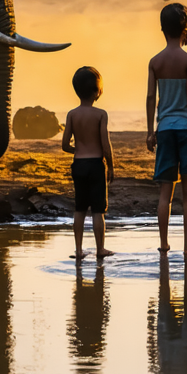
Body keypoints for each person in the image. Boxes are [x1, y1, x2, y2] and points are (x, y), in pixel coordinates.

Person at [147, 3, 187, 257]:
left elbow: (151, 97)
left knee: (165, 193)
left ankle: (163, 244)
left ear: (162, 29)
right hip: (185, 129)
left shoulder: (155, 62)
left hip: (165, 129)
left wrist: (150, 130)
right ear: (186, 30)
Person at [63, 66, 114, 259]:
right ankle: (100, 248)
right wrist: (111, 165)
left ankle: (78, 250)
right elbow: (105, 144)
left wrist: (79, 150)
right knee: (98, 210)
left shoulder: (72, 114)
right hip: (95, 165)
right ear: (97, 91)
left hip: (79, 164)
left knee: (80, 208)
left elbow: (65, 144)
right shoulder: (100, 114)